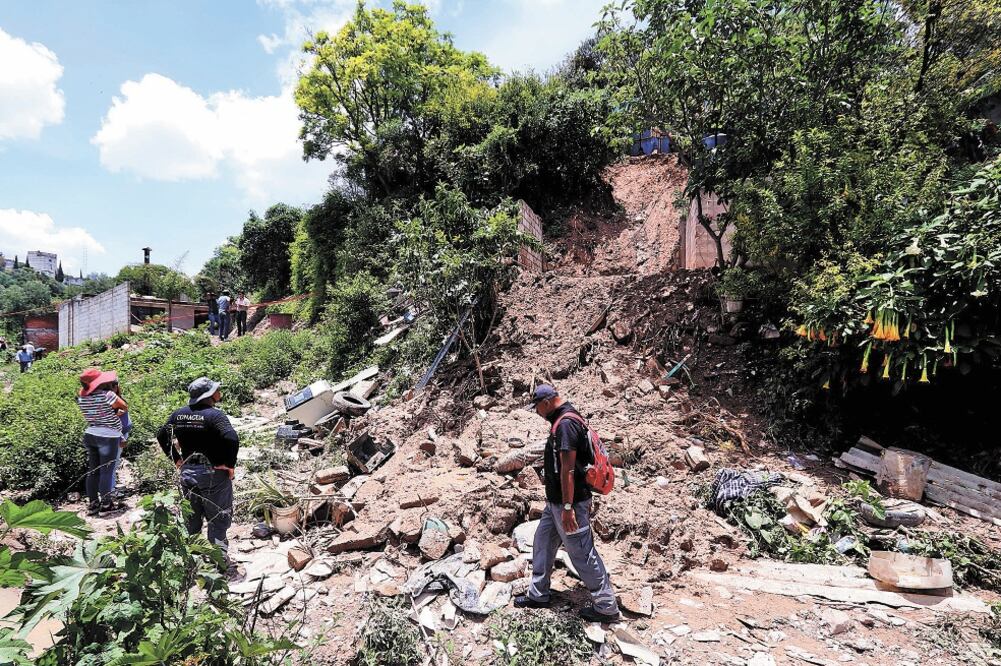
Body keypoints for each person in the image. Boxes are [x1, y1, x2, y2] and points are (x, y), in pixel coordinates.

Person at [514, 384, 620, 623]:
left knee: (582, 553)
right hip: (556, 504)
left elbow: (568, 470)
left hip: (570, 503)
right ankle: (538, 594)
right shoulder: (565, 419)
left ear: (547, 403)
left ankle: (606, 607)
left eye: (538, 408)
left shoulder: (566, 425)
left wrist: (569, 508)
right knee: (542, 543)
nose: (539, 413)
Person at [157, 377, 239, 553]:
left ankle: (191, 560)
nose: (219, 391)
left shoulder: (178, 414)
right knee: (217, 518)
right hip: (213, 474)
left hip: (188, 474)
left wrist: (177, 460)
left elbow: (162, 435)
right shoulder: (215, 415)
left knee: (192, 518)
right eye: (216, 389)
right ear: (209, 395)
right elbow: (231, 438)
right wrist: (229, 465)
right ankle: (219, 561)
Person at [77, 368, 128, 516]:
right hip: (108, 437)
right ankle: (106, 505)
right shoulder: (108, 395)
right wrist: (117, 413)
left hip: (91, 433)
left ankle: (93, 504)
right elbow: (124, 406)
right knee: (107, 471)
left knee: (93, 471)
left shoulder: (82, 397)